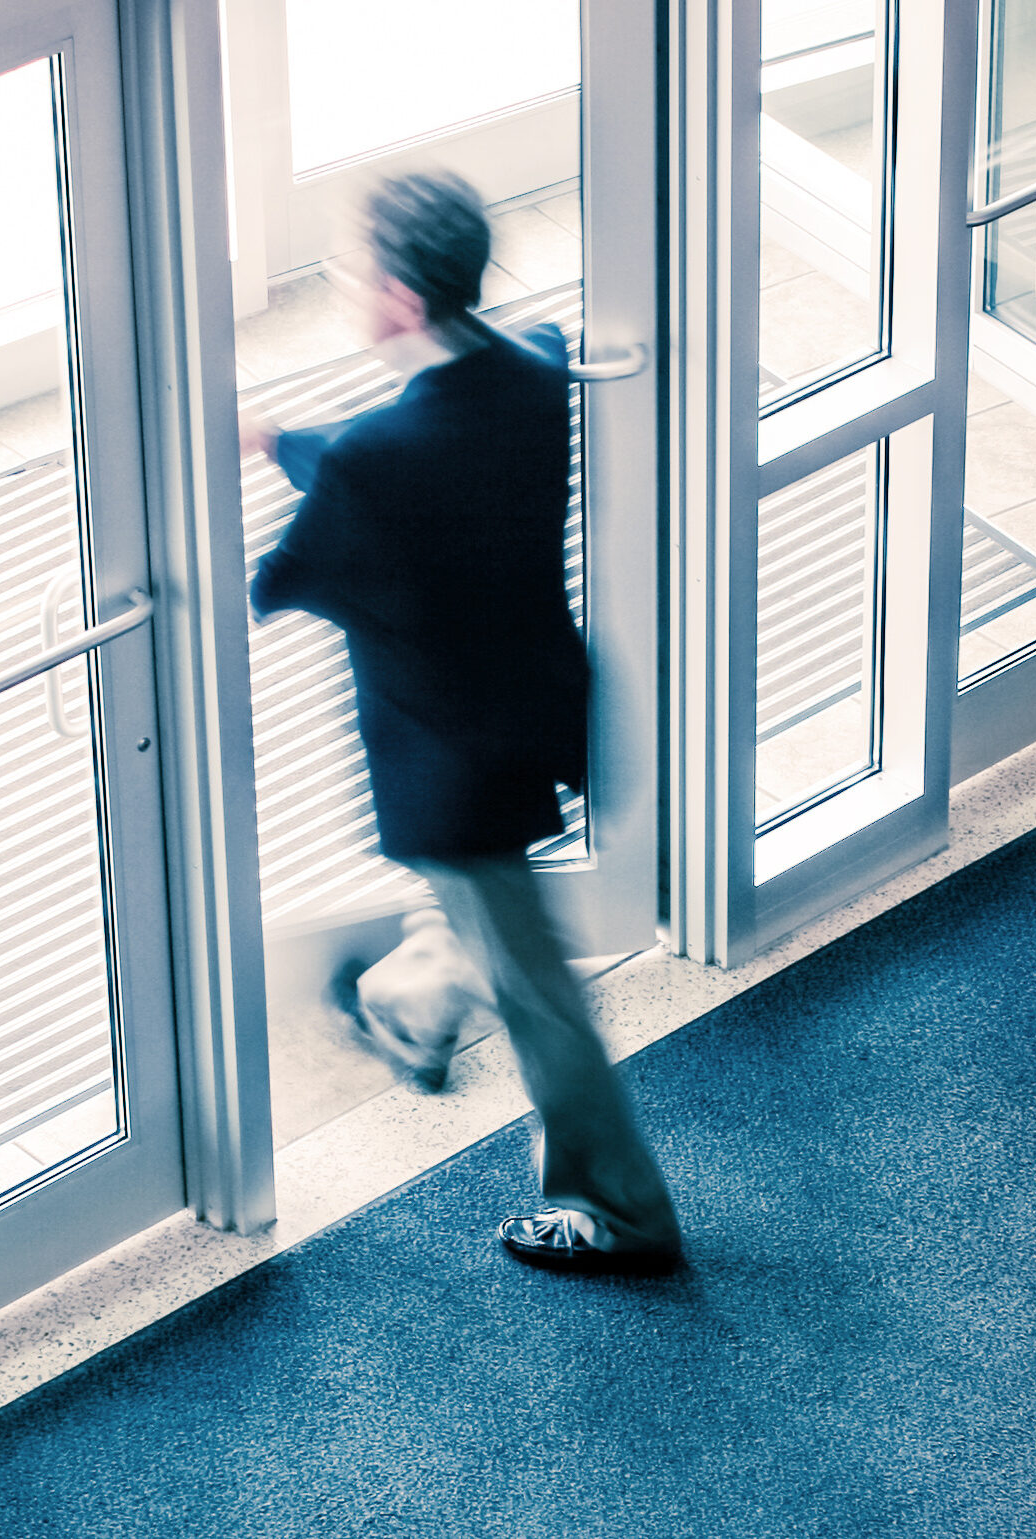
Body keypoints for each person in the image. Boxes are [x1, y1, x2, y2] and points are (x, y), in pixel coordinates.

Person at [245, 171, 682, 1275]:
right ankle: (416, 1004)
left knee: (536, 990)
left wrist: (296, 469)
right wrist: (284, 442)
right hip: (535, 708)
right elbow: (408, 443)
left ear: (394, 298)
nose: (344, 285)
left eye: (351, 270)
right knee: (485, 920)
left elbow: (290, 576)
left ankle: (621, 1210)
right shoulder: (532, 369)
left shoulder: (377, 465)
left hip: (450, 767)